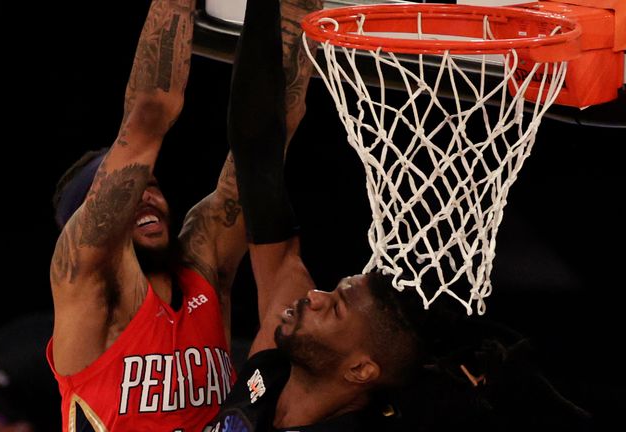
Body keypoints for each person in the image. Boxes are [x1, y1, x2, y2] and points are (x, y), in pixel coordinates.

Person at [206, 0, 592, 430]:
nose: (313, 295)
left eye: (332, 308)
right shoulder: (273, 374)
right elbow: (257, 159)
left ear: (361, 371)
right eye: (333, 300)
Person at [46, 0, 250, 430]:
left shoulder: (204, 266)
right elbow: (146, 117)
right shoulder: (85, 285)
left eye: (152, 187)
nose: (147, 198)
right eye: (130, 194)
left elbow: (264, 147)